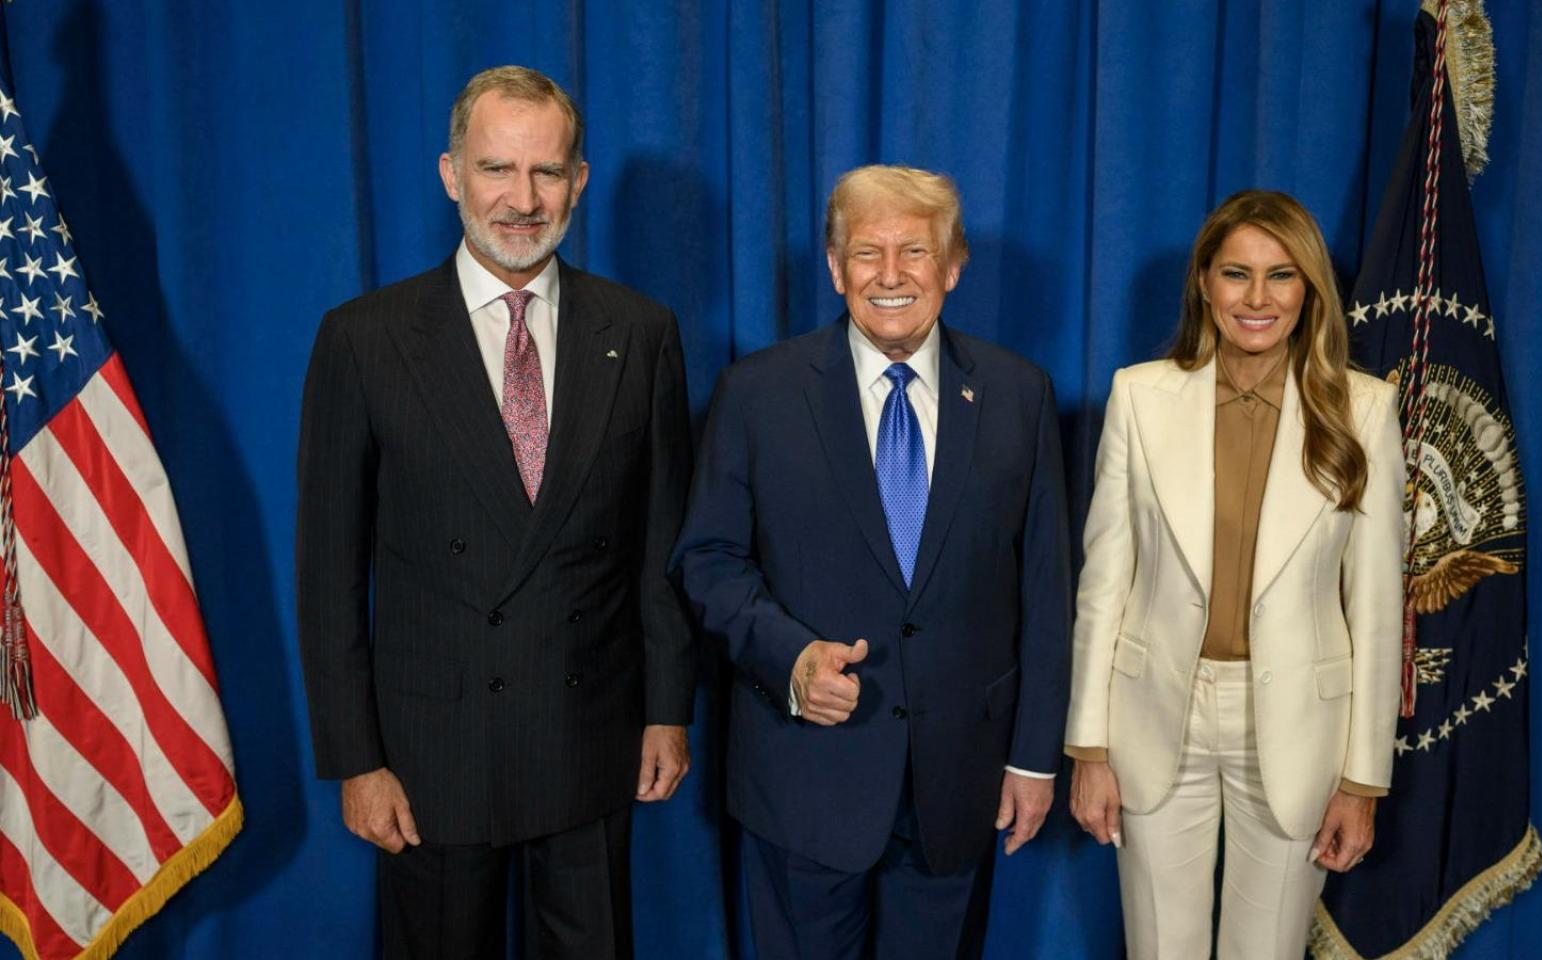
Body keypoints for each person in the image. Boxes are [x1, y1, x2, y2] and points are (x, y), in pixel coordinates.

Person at [296, 66, 695, 959]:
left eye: (547, 173)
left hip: (589, 738)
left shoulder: (642, 332)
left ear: (579, 181)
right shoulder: (363, 339)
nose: (522, 199)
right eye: (496, 170)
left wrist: (669, 707)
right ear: (450, 175)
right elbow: (328, 576)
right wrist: (357, 761)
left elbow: (658, 543)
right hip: (431, 756)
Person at [671, 164, 1071, 959]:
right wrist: (789, 659)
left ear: (952, 267)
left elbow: (1047, 588)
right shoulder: (757, 393)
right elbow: (707, 559)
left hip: (957, 785)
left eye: (915, 252)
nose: (890, 275)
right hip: (803, 782)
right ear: (833, 266)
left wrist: (1033, 759)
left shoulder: (1016, 394)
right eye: (866, 252)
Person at [1065, 190, 1404, 959]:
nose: (1257, 298)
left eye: (1281, 276)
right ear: (1204, 285)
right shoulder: (1139, 397)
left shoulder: (1366, 411)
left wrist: (1364, 780)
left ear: (1309, 290)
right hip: (1154, 716)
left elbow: (1379, 610)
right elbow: (1104, 582)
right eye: (1236, 274)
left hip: (1296, 727)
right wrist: (1089, 746)